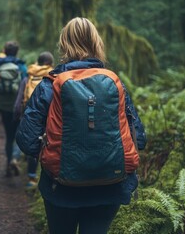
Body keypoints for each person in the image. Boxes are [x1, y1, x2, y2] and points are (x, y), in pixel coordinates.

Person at [16, 17, 147, 234]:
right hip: (110, 184)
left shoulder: (49, 85)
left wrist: (50, 150)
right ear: (97, 43)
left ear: (64, 44)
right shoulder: (115, 82)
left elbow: (26, 140)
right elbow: (139, 139)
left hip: (61, 188)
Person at [13, 51, 54, 188]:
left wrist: (17, 114)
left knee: (33, 140)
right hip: (48, 115)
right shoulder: (53, 77)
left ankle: (29, 176)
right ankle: (44, 177)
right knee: (46, 143)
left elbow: (20, 98)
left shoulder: (28, 76)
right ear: (50, 63)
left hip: (29, 112)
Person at [0, 41, 27, 177]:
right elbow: (26, 87)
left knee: (9, 136)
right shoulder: (21, 67)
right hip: (18, 107)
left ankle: (8, 162)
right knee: (19, 135)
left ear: (5, 51)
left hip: (3, 107)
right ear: (17, 52)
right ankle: (15, 158)